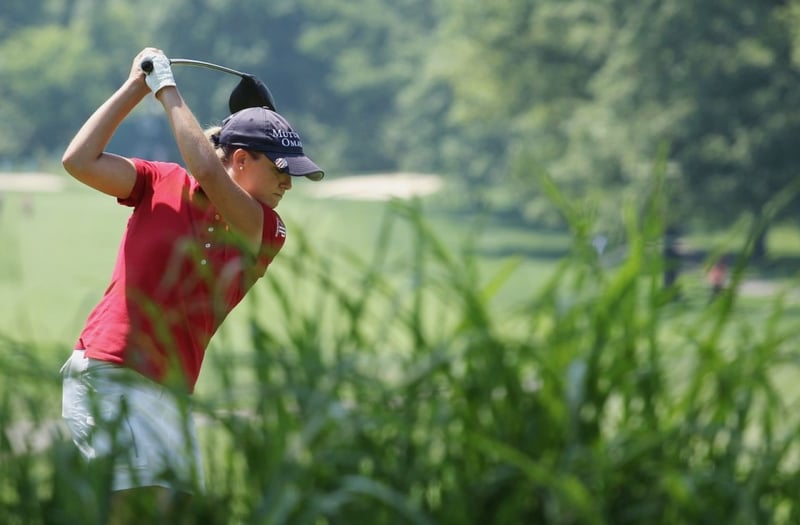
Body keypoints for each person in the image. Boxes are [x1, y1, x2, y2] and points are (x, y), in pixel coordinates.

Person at [59, 47, 323, 522]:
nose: (290, 183)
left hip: (169, 392)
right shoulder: (157, 181)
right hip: (108, 372)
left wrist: (168, 89)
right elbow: (79, 160)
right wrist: (135, 88)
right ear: (241, 159)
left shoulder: (266, 228)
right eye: (282, 170)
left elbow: (206, 169)